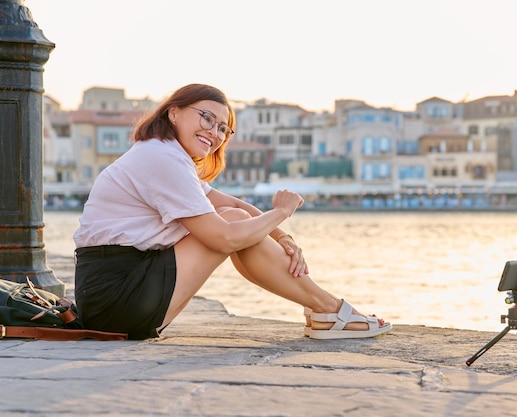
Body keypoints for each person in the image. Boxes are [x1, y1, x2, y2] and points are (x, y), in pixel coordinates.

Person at [73, 83, 392, 340]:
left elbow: (232, 205)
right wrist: (280, 213)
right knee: (236, 227)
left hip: (116, 298)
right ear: (174, 113)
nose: (214, 132)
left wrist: (284, 238)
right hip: (117, 299)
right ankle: (328, 309)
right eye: (206, 117)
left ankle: (325, 309)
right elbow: (224, 237)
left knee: (239, 220)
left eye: (224, 128)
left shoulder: (166, 156)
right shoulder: (161, 157)